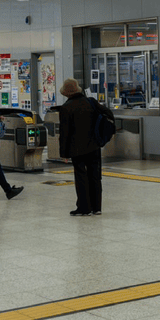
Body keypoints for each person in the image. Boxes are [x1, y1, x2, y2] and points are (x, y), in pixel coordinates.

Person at [58, 78, 112, 217]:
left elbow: (65, 133)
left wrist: (64, 153)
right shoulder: (90, 102)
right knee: (95, 176)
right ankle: (97, 207)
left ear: (66, 93)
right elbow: (109, 114)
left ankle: (84, 208)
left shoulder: (66, 108)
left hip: (77, 149)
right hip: (94, 146)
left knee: (81, 176)